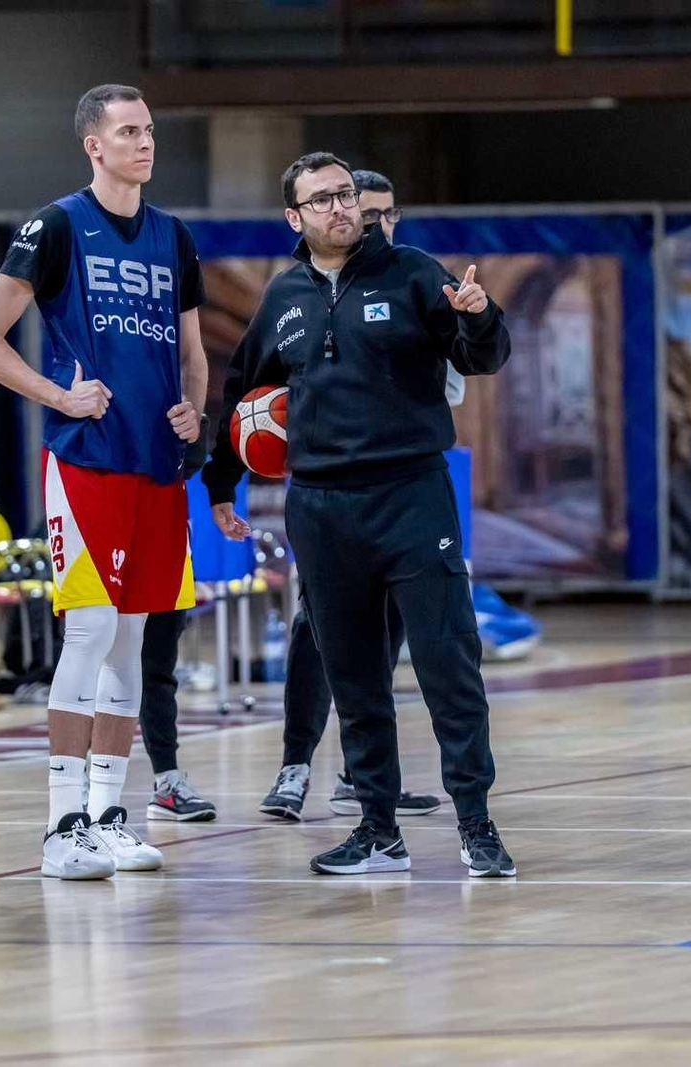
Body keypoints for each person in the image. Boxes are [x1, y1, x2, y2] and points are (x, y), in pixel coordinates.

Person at [204, 152, 518, 877]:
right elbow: (241, 396)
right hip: (319, 507)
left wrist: (479, 317)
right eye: (323, 199)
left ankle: (476, 821)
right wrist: (221, 486)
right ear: (295, 217)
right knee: (354, 675)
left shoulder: (412, 272)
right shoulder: (283, 299)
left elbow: (483, 357)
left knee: (448, 662)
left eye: (346, 194)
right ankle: (377, 829)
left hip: (411, 495)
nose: (341, 207)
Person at [0, 83, 208, 879]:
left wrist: (194, 410)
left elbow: (193, 349)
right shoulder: (58, 224)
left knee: (134, 636)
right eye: (129, 130)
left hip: (154, 462)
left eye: (149, 129)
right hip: (88, 457)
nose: (145, 142)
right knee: (92, 630)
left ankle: (107, 812)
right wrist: (58, 394)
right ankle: (61, 823)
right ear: (93, 145)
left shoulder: (173, 237)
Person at [257, 167, 442, 823]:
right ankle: (293, 767)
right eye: (369, 210)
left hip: (401, 492)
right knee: (318, 626)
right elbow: (265, 388)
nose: (379, 223)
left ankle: (356, 777)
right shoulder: (301, 296)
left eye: (390, 213)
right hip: (331, 495)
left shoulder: (412, 282)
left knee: (388, 631)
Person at [140, 419, 218, 823]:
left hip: (165, 512)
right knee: (95, 656)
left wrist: (194, 418)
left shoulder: (175, 361)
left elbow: (193, 361)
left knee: (158, 662)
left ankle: (167, 782)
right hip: (97, 499)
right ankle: (78, 787)